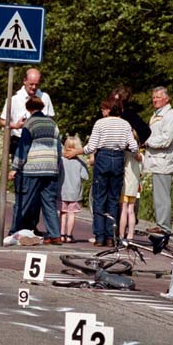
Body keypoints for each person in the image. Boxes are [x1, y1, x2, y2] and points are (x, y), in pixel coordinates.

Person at [67, 98, 140, 247]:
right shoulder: (125, 124)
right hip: (118, 159)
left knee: (99, 197)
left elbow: (91, 146)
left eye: (103, 109)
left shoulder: (100, 123)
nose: (102, 111)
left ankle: (99, 236)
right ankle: (110, 236)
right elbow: (133, 146)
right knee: (113, 199)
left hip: (103, 158)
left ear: (108, 109)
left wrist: (76, 152)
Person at [8, 96, 62, 245]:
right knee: (49, 202)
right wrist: (56, 166)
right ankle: (55, 235)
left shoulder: (29, 123)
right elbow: (58, 147)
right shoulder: (53, 124)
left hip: (33, 169)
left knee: (23, 201)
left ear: (28, 108)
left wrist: (14, 168)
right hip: (51, 169)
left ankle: (14, 232)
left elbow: (23, 147)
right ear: (42, 107)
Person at [143, 86, 173, 234]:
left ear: (166, 98)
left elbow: (166, 140)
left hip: (164, 161)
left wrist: (147, 140)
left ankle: (164, 227)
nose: (155, 100)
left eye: (158, 97)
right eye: (153, 97)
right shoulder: (157, 115)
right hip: (157, 161)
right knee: (158, 195)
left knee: (162, 195)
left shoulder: (170, 117)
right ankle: (160, 223)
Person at [0, 68, 55, 157]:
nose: (34, 87)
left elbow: (51, 119)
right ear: (24, 81)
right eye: (31, 84)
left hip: (39, 142)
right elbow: (2, 121)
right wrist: (16, 126)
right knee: (18, 170)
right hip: (19, 141)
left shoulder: (45, 97)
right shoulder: (14, 100)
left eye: (36, 84)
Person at [58, 136, 89, 243]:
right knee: (71, 214)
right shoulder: (79, 163)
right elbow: (86, 176)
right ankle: (69, 235)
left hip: (62, 192)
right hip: (75, 193)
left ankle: (61, 235)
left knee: (63, 213)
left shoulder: (61, 161)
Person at [119, 130, 142, 240]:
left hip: (125, 185)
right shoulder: (140, 156)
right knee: (131, 211)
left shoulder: (124, 155)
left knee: (123, 209)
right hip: (135, 185)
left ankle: (121, 234)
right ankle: (131, 235)